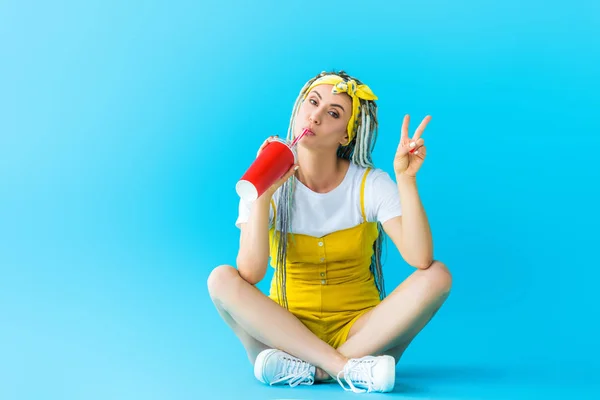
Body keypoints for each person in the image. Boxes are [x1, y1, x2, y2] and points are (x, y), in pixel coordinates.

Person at [207, 71, 452, 394]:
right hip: (285, 334)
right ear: (297, 109)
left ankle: (313, 370)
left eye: (333, 113)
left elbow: (419, 258)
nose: (316, 115)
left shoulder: (370, 184)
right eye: (312, 102)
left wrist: (406, 179)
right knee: (221, 278)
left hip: (360, 335)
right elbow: (250, 273)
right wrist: (263, 193)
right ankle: (344, 369)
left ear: (346, 137)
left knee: (437, 276)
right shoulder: (265, 182)